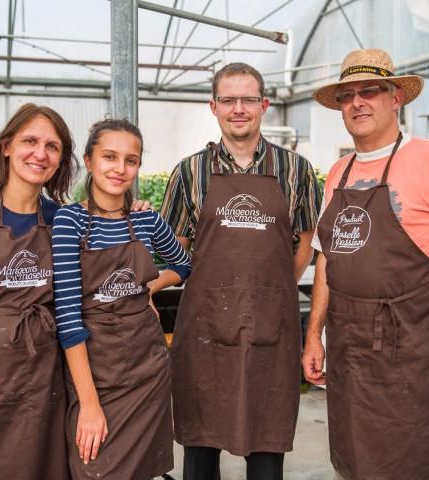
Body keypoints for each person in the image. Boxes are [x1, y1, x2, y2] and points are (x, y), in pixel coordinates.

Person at [160, 62, 321, 480]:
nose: (239, 108)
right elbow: (177, 252)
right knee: (200, 453)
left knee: (266, 452)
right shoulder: (188, 172)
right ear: (213, 106)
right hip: (205, 333)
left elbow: (305, 242)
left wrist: (270, 289)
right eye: (228, 100)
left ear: (264, 104)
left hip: (271, 331)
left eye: (248, 99)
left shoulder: (297, 170)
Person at [302, 48, 429, 480]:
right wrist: (313, 335)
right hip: (349, 345)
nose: (357, 102)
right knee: (355, 458)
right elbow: (326, 257)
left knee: (412, 458)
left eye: (370, 91)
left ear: (396, 97)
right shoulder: (338, 171)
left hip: (413, 347)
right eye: (347, 95)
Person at [52, 118, 191, 480]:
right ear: (89, 160)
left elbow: (184, 264)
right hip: (96, 371)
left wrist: (151, 287)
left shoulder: (146, 221)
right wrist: (89, 404)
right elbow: (68, 320)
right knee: (93, 468)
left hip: (148, 368)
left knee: (142, 470)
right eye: (110, 157)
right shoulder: (70, 221)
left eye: (131, 160)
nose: (120, 168)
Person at [0, 103, 78, 479]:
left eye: (52, 146)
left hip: (38, 389)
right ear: (6, 146)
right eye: (30, 141)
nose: (40, 154)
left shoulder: (60, 219)